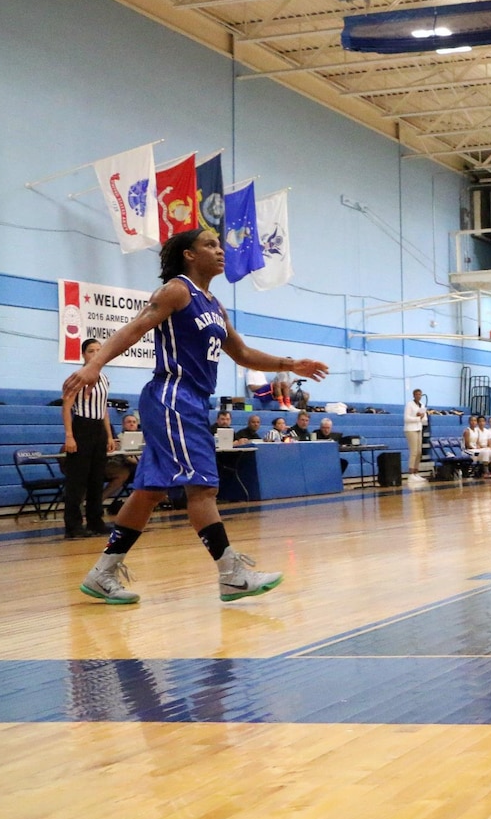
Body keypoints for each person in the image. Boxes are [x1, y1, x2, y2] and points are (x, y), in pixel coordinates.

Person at [63, 227, 329, 605]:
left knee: (149, 491)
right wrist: (96, 364)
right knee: (202, 487)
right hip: (173, 394)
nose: (220, 251)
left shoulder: (214, 305)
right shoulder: (177, 290)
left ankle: (102, 573)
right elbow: (135, 328)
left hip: (191, 398)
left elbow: (242, 353)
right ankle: (232, 575)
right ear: (189, 254)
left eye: (220, 245)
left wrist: (290, 364)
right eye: (209, 244)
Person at [61, 337, 113, 539]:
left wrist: (109, 435)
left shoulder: (105, 379)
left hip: (98, 428)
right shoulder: (77, 378)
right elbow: (66, 408)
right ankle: (73, 526)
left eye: (99, 350)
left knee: (96, 479)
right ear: (83, 354)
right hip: (81, 427)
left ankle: (95, 522)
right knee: (77, 480)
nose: (95, 354)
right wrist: (69, 436)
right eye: (91, 350)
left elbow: (104, 409)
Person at [104, 412, 139, 510]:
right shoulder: (119, 439)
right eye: (129, 422)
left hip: (136, 465)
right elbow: (126, 457)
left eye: (134, 422)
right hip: (123, 465)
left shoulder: (143, 437)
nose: (132, 424)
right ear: (123, 425)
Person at [403, 388, 431, 480]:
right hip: (410, 429)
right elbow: (406, 418)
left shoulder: (422, 405)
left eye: (420, 394)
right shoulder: (409, 404)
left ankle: (416, 472)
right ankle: (410, 473)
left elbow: (425, 419)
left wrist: (422, 417)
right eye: (417, 394)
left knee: (419, 451)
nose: (418, 396)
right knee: (414, 451)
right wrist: (417, 418)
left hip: (419, 428)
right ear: (414, 395)